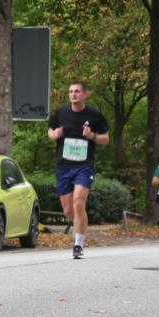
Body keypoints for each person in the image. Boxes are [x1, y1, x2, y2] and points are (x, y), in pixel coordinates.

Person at [47, 81, 110, 259]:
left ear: (84, 94)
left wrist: (92, 136)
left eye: (77, 91)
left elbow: (106, 139)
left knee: (79, 202)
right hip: (63, 166)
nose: (73, 94)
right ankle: (80, 224)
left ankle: (78, 244)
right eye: (71, 92)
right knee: (68, 210)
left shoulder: (94, 115)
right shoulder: (61, 113)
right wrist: (54, 135)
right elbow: (50, 131)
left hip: (84, 165)